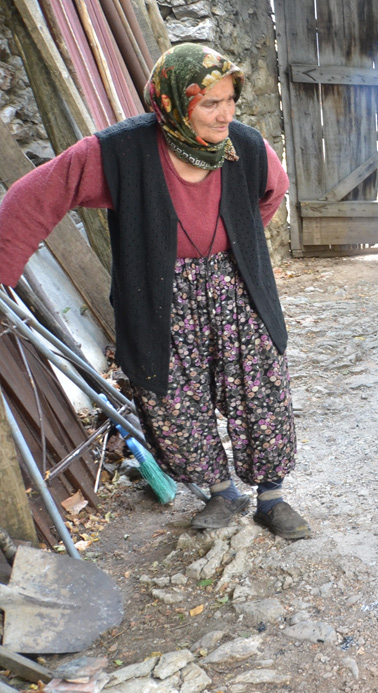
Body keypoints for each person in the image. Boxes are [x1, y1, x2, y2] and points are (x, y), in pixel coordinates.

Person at [0, 44, 310, 540]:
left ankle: (272, 496)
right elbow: (34, 197)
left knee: (261, 389)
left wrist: (238, 243)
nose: (225, 112)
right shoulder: (119, 153)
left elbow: (272, 193)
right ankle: (221, 492)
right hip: (160, 294)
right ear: (172, 102)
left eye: (230, 99)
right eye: (210, 103)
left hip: (236, 284)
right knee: (171, 398)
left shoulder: (246, 147)